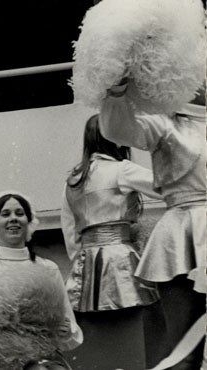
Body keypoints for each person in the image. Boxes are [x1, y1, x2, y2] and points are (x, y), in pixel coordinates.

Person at [100, 81, 206, 368]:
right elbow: (116, 129)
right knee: (185, 351)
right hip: (182, 235)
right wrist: (117, 92)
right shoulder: (162, 120)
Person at [61, 114, 161, 311]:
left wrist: (80, 266)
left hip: (84, 264)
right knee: (134, 324)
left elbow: (70, 234)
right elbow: (167, 188)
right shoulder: (121, 170)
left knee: (97, 330)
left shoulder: (72, 181)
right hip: (120, 259)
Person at [0, 191, 83, 353]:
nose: (13, 218)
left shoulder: (48, 269)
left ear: (29, 222)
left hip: (41, 356)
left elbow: (68, 322)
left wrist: (65, 330)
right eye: (5, 214)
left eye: (20, 213)